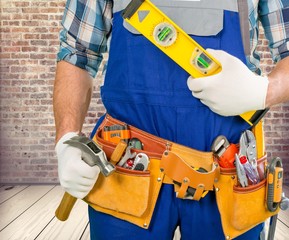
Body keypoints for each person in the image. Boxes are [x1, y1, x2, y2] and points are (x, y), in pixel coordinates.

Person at [53, 0, 289, 239]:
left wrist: (263, 92)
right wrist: (67, 138)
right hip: (125, 173)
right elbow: (77, 53)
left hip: (228, 176)